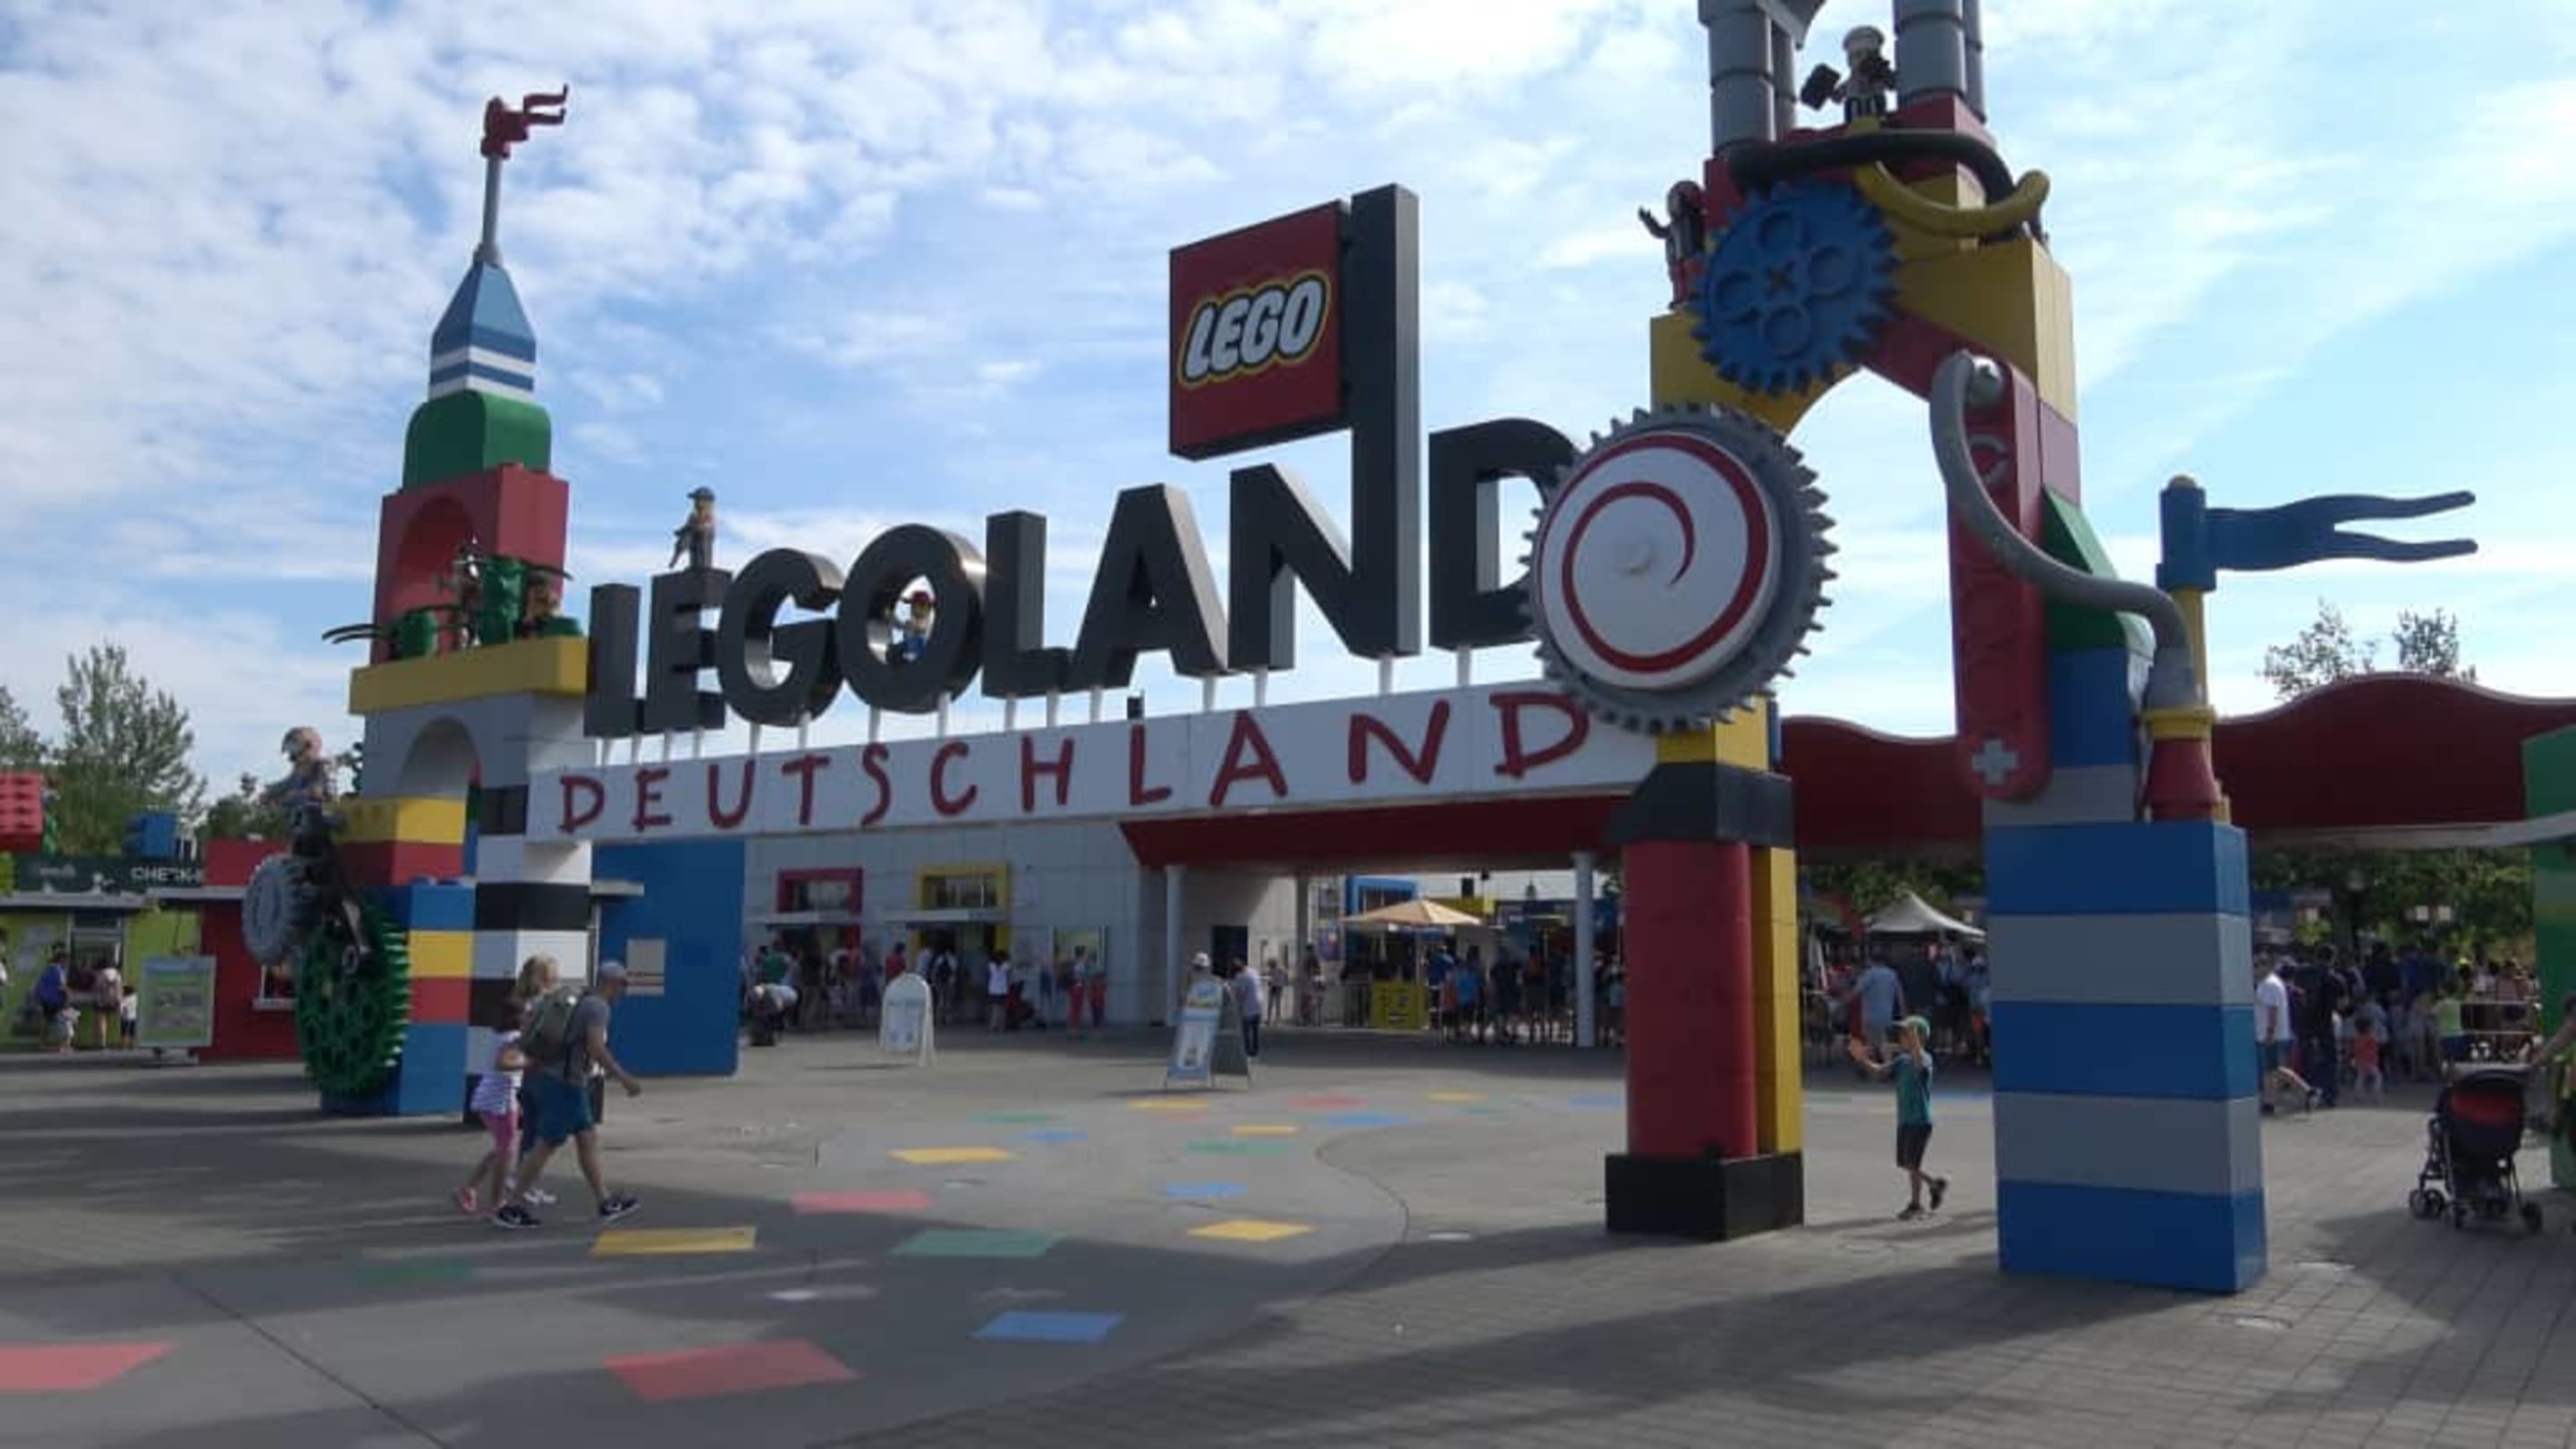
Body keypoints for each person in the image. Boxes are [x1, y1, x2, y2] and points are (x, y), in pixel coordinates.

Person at [495, 962, 642, 1230]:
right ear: (611, 983)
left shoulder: (583, 1000)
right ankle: (511, 1206)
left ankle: (605, 1201)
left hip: (560, 1080)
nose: (625, 991)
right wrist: (624, 1079)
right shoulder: (598, 1007)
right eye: (624, 984)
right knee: (546, 1145)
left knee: (587, 1138)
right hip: (565, 1084)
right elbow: (596, 1048)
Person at [1849, 1015, 1947, 1219]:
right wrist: (1861, 1059)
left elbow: (1920, 1066)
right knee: (1904, 1163)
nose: (1901, 1038)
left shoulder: (1925, 1059)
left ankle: (1916, 1204)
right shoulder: (1902, 1061)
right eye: (1902, 1034)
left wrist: (1915, 1042)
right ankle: (1934, 1185)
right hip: (1905, 1119)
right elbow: (1879, 1072)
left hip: (1920, 1121)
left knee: (1913, 1163)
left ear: (1918, 1037)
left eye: (1906, 1034)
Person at [455, 1028, 527, 1216]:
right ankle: (497, 1203)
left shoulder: (507, 1036)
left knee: (503, 1149)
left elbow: (508, 1072)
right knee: (506, 1151)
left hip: (497, 1098)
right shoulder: (514, 1037)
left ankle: (469, 1189)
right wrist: (530, 1063)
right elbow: (502, 1064)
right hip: (499, 1102)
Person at [2256, 957, 2316, 1114]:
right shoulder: (2269, 983)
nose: (2254, 970)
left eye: (2257, 966)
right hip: (2269, 1034)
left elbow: (2273, 1010)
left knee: (2274, 1069)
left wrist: (2270, 1032)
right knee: (2269, 1070)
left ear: (2267, 966)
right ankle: (2269, 1103)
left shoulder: (2269, 984)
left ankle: (2308, 1090)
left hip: (2271, 1035)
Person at [1853, 952, 1903, 1056]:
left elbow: (1857, 991)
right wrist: (1904, 1012)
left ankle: (1874, 1064)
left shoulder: (1869, 974)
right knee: (1885, 1044)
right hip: (1886, 1015)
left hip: (1870, 1016)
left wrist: (1843, 1000)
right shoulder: (1892, 974)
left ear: (1872, 961)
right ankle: (1887, 1063)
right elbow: (1900, 995)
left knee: (1871, 1045)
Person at [34, 947, 72, 1055]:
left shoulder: (47, 969)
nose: (68, 963)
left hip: (45, 1000)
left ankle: (42, 1043)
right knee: (65, 1020)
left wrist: (38, 998)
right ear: (62, 960)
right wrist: (69, 994)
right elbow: (62, 987)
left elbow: (39, 985)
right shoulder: (59, 971)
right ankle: (63, 1045)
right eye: (67, 961)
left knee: (46, 1021)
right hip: (56, 1001)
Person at [1231, 957, 1264, 1059]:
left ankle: (1247, 1051)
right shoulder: (1253, 971)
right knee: (1255, 1030)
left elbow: (1241, 994)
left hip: (1249, 1006)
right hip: (1259, 1003)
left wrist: (1237, 1005)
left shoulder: (1241, 977)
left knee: (1246, 1030)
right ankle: (1256, 1051)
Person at [90, 959, 123, 1051]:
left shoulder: (101, 973)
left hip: (101, 1000)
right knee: (113, 1021)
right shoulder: (117, 974)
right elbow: (119, 988)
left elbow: (96, 987)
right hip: (114, 1000)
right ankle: (119, 1041)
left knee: (101, 1021)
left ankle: (101, 1043)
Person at [986, 952, 1011, 1032]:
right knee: (1002, 1009)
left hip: (994, 990)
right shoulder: (1006, 966)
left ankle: (993, 1026)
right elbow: (1008, 977)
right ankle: (1001, 1026)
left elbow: (988, 976)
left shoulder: (991, 966)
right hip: (1002, 990)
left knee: (995, 1009)